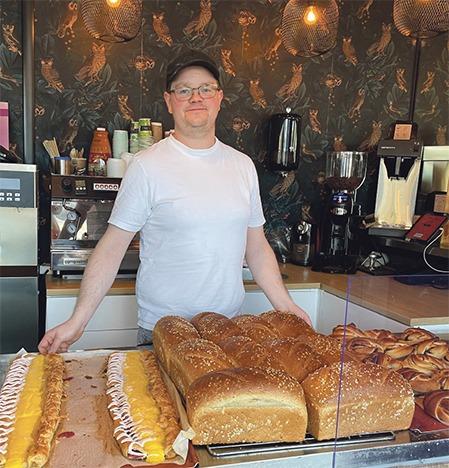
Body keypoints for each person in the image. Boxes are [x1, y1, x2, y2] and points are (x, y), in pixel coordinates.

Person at [38, 50, 311, 354]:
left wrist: (286, 306)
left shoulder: (242, 166)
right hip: (162, 332)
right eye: (184, 90)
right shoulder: (146, 166)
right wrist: (77, 321)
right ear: (169, 101)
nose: (196, 97)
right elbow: (112, 248)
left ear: (219, 98)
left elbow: (256, 247)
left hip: (228, 331)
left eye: (205, 89)